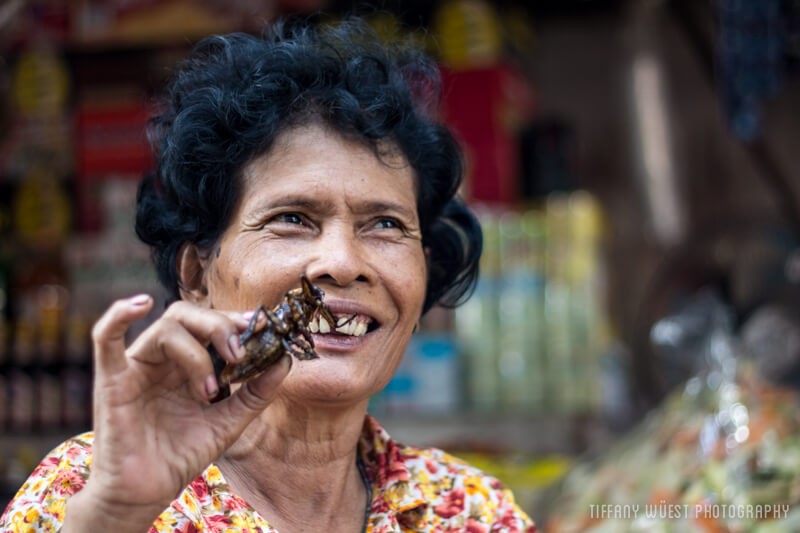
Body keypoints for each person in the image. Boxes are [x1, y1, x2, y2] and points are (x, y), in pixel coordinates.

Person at [1, 16, 536, 533]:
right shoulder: (84, 493)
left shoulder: (473, 512)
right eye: (293, 219)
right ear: (197, 275)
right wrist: (114, 520)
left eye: (385, 224)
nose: (344, 263)